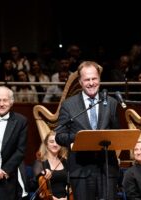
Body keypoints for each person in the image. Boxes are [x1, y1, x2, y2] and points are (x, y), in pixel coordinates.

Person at [55, 61, 120, 200]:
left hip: (107, 168)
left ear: (99, 79)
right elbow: (59, 136)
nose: (91, 83)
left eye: (94, 78)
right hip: (81, 169)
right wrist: (80, 138)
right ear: (80, 82)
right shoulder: (68, 105)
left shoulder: (111, 103)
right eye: (87, 79)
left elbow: (116, 133)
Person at [32, 131, 69, 200]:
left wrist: (66, 198)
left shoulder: (65, 161)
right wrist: (41, 174)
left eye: (57, 142)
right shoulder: (40, 162)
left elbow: (70, 185)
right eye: (51, 142)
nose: (55, 144)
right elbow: (33, 186)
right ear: (46, 144)